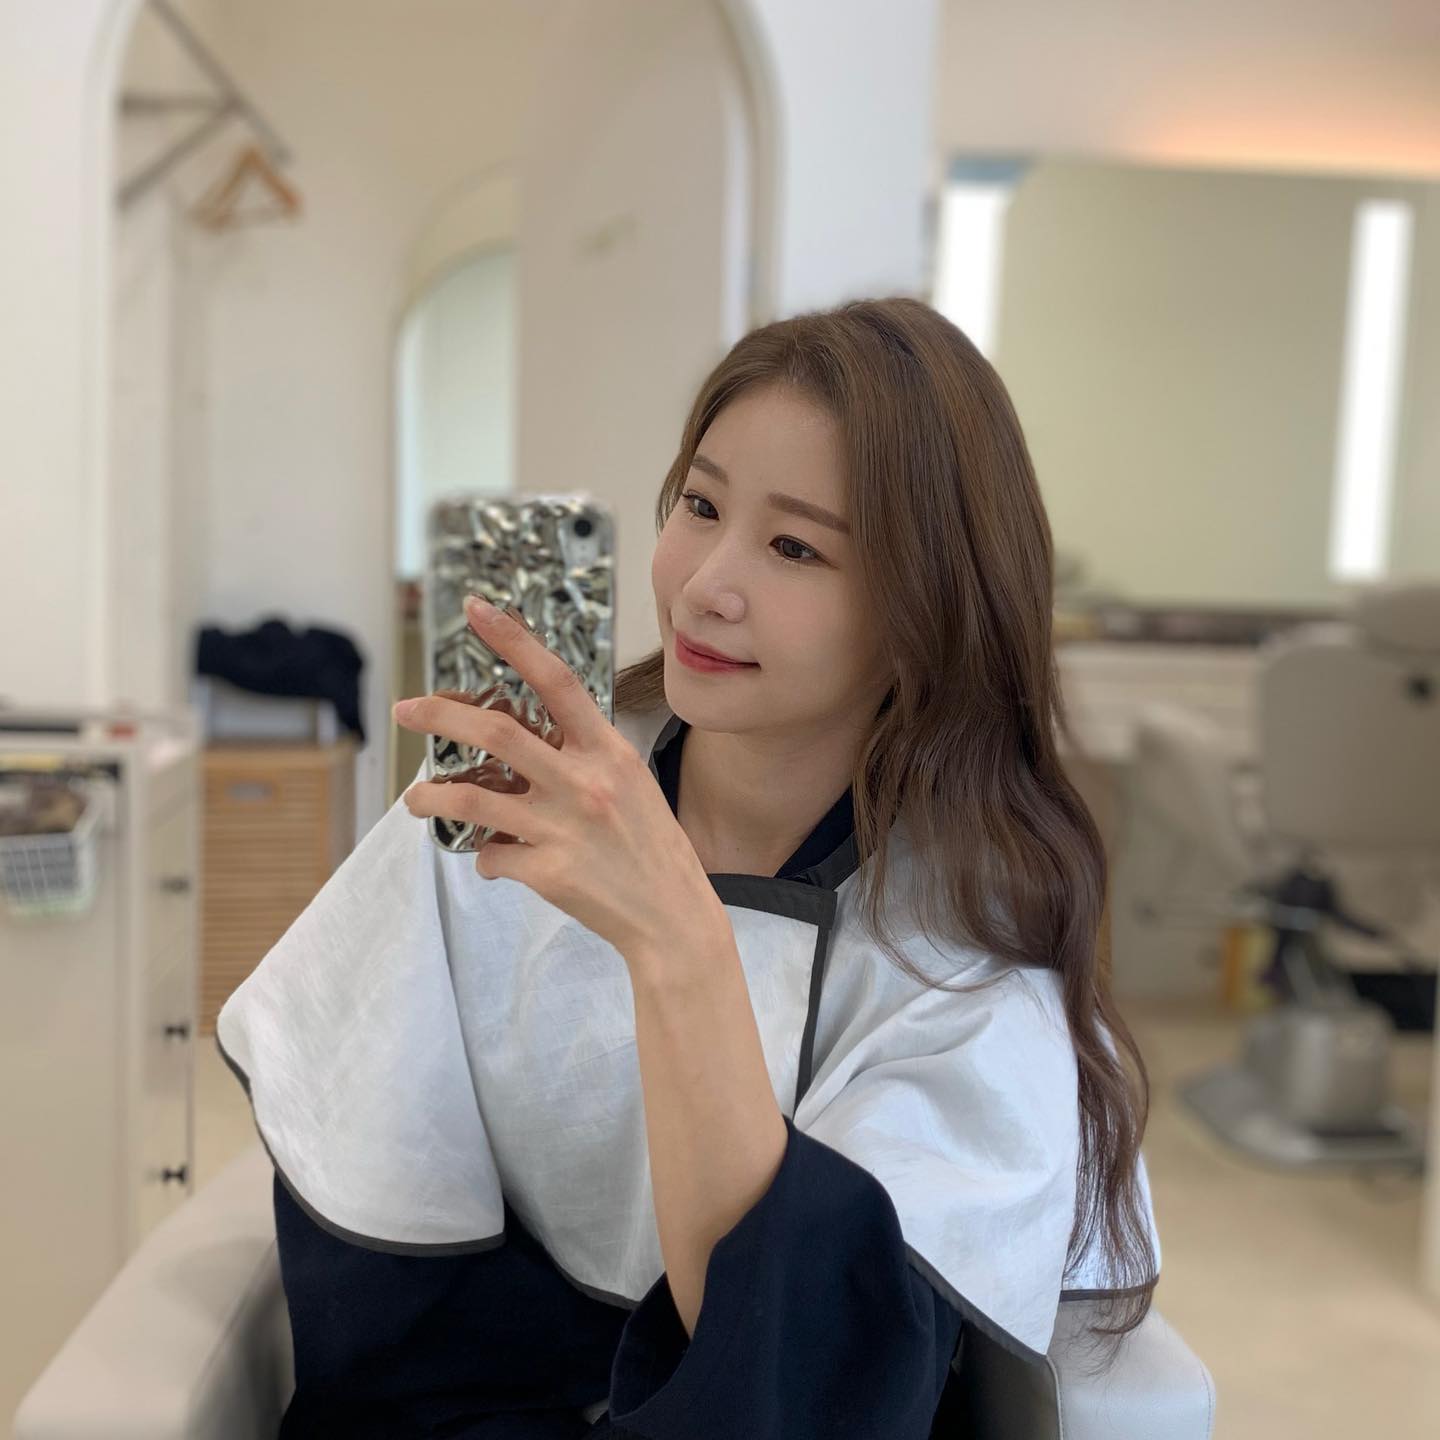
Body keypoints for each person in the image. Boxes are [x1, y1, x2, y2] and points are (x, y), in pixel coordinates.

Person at [216, 296, 1161, 1438]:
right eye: (701, 505)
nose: (708, 582)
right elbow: (379, 1276)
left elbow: (813, 1388)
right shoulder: (505, 801)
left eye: (795, 547)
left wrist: (677, 941)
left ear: (925, 611)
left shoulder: (963, 939)